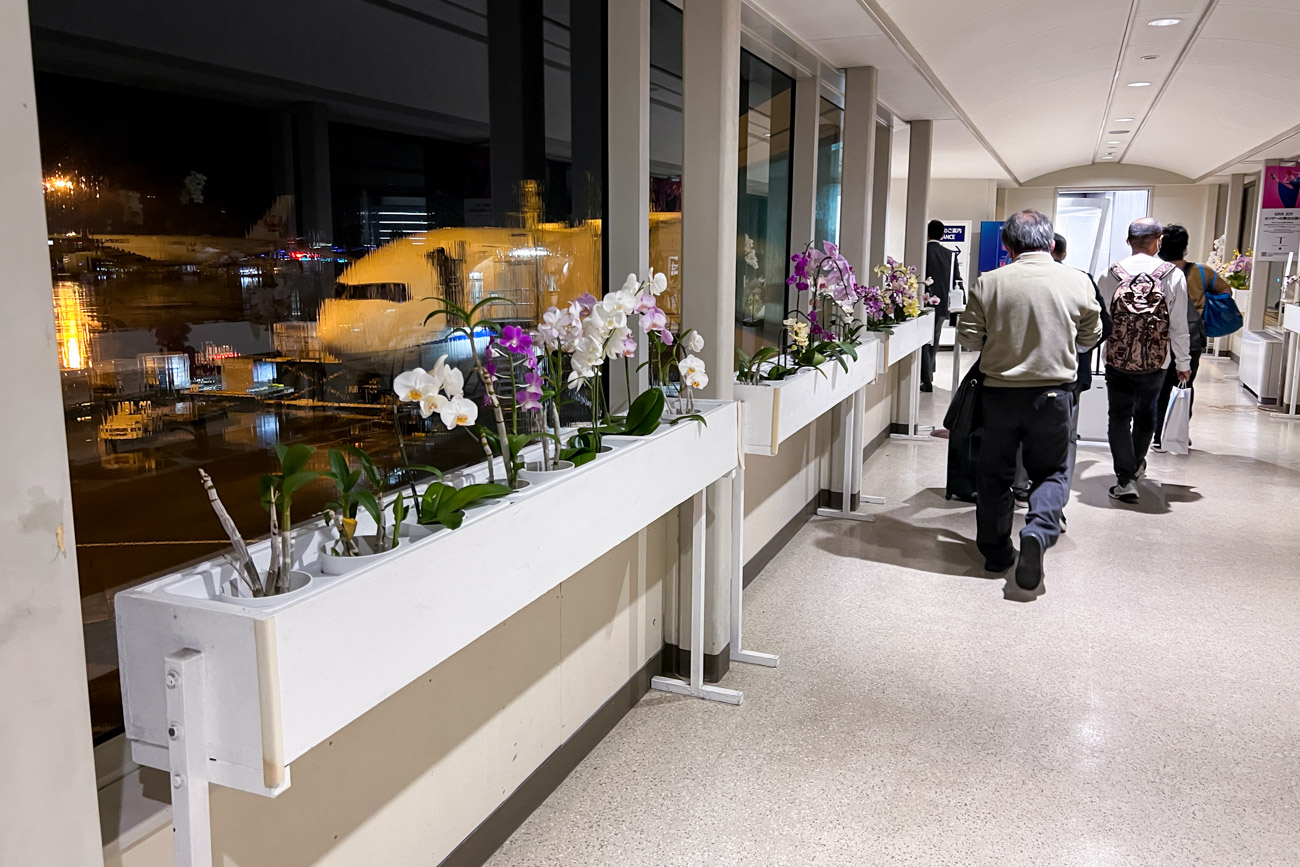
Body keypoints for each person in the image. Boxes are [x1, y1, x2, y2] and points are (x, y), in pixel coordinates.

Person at [958, 211, 1102, 592]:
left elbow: (969, 338)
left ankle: (995, 553)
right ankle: (1037, 531)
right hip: (1054, 395)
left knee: (994, 476)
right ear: (1051, 244)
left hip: (999, 395)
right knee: (1052, 472)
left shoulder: (990, 282)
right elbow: (1092, 335)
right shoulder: (1077, 281)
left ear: (1008, 246)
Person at [1097, 218, 1191, 503]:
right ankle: (1136, 465)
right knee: (1146, 414)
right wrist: (1183, 363)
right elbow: (1178, 326)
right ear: (1158, 240)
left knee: (1119, 415)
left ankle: (1124, 479)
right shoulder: (1173, 275)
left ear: (1128, 241)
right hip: (1156, 361)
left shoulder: (1109, 274)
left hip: (1118, 359)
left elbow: (1101, 321)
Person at [1153, 224, 1207, 451]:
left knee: (1159, 386)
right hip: (1192, 336)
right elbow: (1226, 291)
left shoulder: (1154, 271)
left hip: (1158, 337)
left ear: (1159, 244)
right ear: (1185, 248)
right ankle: (1178, 432)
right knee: (1184, 384)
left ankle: (1157, 435)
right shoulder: (1201, 273)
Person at [921, 219, 962, 392]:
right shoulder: (950, 255)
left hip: (923, 301)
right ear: (943, 234)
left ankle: (926, 378)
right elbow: (957, 280)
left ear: (927, 233)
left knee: (923, 340)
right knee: (935, 339)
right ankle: (929, 374)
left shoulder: (922, 252)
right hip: (943, 304)